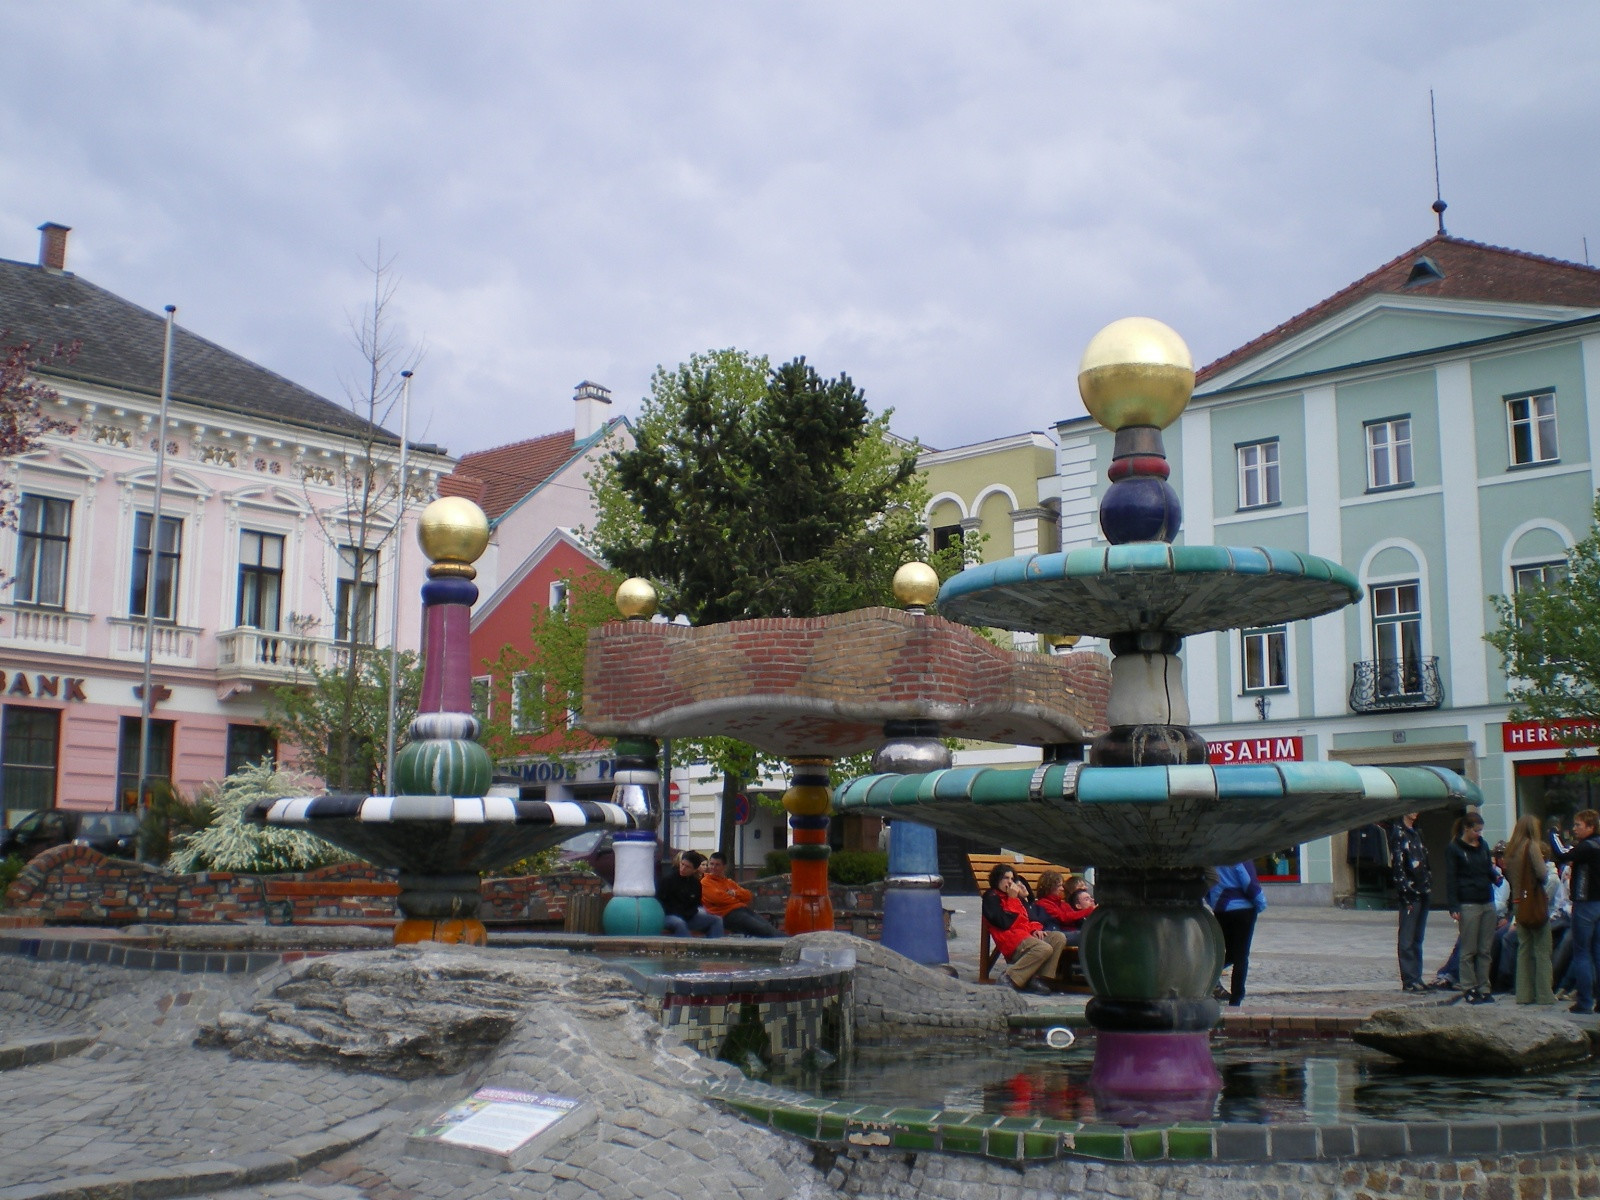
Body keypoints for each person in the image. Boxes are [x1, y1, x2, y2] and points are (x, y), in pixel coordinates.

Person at [982, 863, 1067, 995]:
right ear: (997, 879)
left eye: (1012, 879)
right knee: (1044, 948)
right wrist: (1011, 899)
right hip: (1011, 940)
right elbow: (1004, 922)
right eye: (1006, 878)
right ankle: (1010, 977)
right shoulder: (991, 897)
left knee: (1058, 937)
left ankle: (1037, 978)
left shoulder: (1018, 898)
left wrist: (1035, 930)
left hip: (1027, 936)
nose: (1010, 882)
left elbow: (1031, 918)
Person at [1549, 808, 1600, 1014]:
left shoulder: (1587, 846)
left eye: (1579, 825)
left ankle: (1585, 1002)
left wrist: (1552, 833)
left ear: (1591, 826)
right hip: (1598, 904)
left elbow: (1562, 854)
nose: (1575, 828)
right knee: (1598, 952)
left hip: (1585, 902)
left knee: (1582, 953)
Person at [1505, 815, 1558, 1005]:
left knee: (1524, 949)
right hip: (1534, 903)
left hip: (1518, 902)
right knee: (1543, 948)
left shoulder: (1511, 850)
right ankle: (1544, 994)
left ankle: (1524, 994)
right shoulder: (1532, 846)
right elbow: (1542, 874)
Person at [1445, 812, 1497, 1004]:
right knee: (1469, 949)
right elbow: (1451, 878)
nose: (1479, 834)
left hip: (1486, 899)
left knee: (1485, 949)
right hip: (1468, 901)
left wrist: (1495, 877)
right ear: (1466, 829)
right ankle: (1468, 986)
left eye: (1480, 831)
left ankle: (1485, 986)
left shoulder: (1482, 845)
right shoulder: (1455, 848)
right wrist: (1454, 905)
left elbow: (1485, 867)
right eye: (1476, 831)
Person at [1207, 860, 1267, 1007]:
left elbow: (1208, 882)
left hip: (1221, 909)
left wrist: (1213, 902)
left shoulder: (1214, 856)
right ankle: (1236, 998)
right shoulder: (1241, 854)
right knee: (1241, 956)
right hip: (1243, 910)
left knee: (1229, 953)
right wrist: (1261, 903)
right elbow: (1249, 882)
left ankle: (1207, 972)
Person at [1389, 811, 1432, 993]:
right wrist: (1405, 891)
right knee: (1407, 937)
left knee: (1417, 937)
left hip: (1422, 889)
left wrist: (1428, 882)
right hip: (1411, 892)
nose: (1416, 813)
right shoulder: (1398, 833)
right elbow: (1398, 865)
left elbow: (1425, 860)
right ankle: (1409, 978)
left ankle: (1417, 976)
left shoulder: (1416, 832)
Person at [699, 851, 783, 937]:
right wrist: (736, 899)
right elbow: (718, 898)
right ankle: (787, 944)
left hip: (742, 910)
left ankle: (790, 942)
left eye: (717, 865)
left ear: (724, 866)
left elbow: (748, 895)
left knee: (768, 927)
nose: (713, 867)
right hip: (726, 915)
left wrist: (735, 893)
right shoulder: (705, 882)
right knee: (764, 929)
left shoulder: (729, 882)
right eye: (711, 864)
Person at [658, 850, 723, 939]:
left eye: (687, 867)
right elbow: (660, 903)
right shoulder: (668, 880)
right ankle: (689, 948)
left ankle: (715, 947)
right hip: (669, 916)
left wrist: (692, 913)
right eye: (682, 864)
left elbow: (696, 904)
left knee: (716, 920)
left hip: (689, 917)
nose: (683, 868)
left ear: (694, 870)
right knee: (679, 923)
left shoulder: (696, 884)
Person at [1035, 872, 1096, 947]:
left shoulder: (1063, 904)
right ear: (1050, 887)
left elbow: (1073, 915)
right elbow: (1063, 917)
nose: (1062, 888)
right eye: (1059, 886)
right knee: (1088, 935)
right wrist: (1090, 910)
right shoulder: (1043, 904)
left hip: (1070, 932)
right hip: (1059, 934)